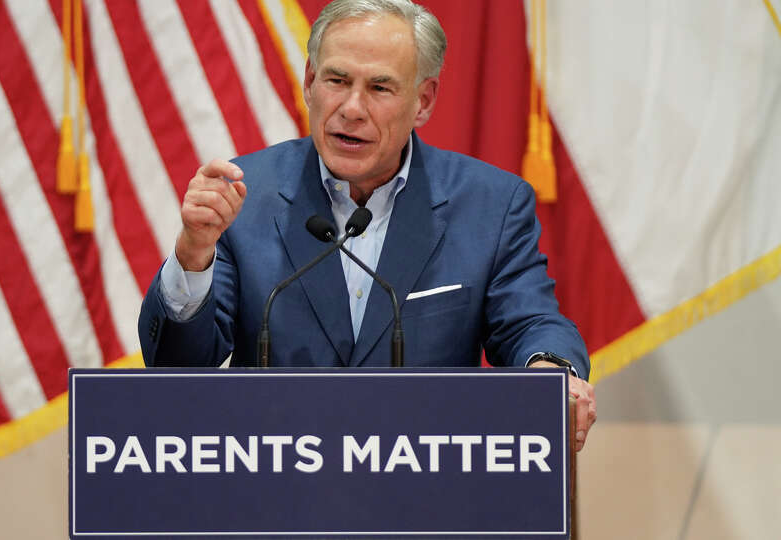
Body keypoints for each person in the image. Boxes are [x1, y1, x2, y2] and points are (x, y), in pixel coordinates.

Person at [138, 0, 596, 451]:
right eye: (337, 80)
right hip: (273, 494)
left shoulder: (489, 205)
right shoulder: (245, 196)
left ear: (423, 101)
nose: (352, 108)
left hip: (427, 493)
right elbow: (177, 368)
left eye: (380, 88)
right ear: (310, 82)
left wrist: (550, 371)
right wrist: (193, 255)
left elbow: (530, 322)